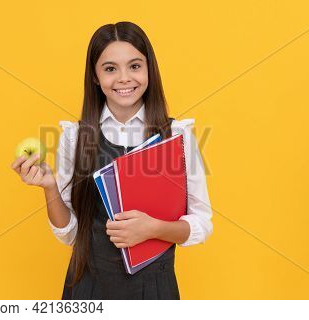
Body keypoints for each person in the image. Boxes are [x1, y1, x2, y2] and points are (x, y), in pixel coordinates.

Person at [11, 21, 213, 299]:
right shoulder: (76, 137)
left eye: (134, 66)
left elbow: (202, 223)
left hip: (154, 291)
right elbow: (71, 234)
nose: (124, 78)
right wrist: (49, 187)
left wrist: (154, 228)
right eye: (110, 69)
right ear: (95, 76)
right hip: (88, 288)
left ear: (149, 70)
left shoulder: (176, 137)